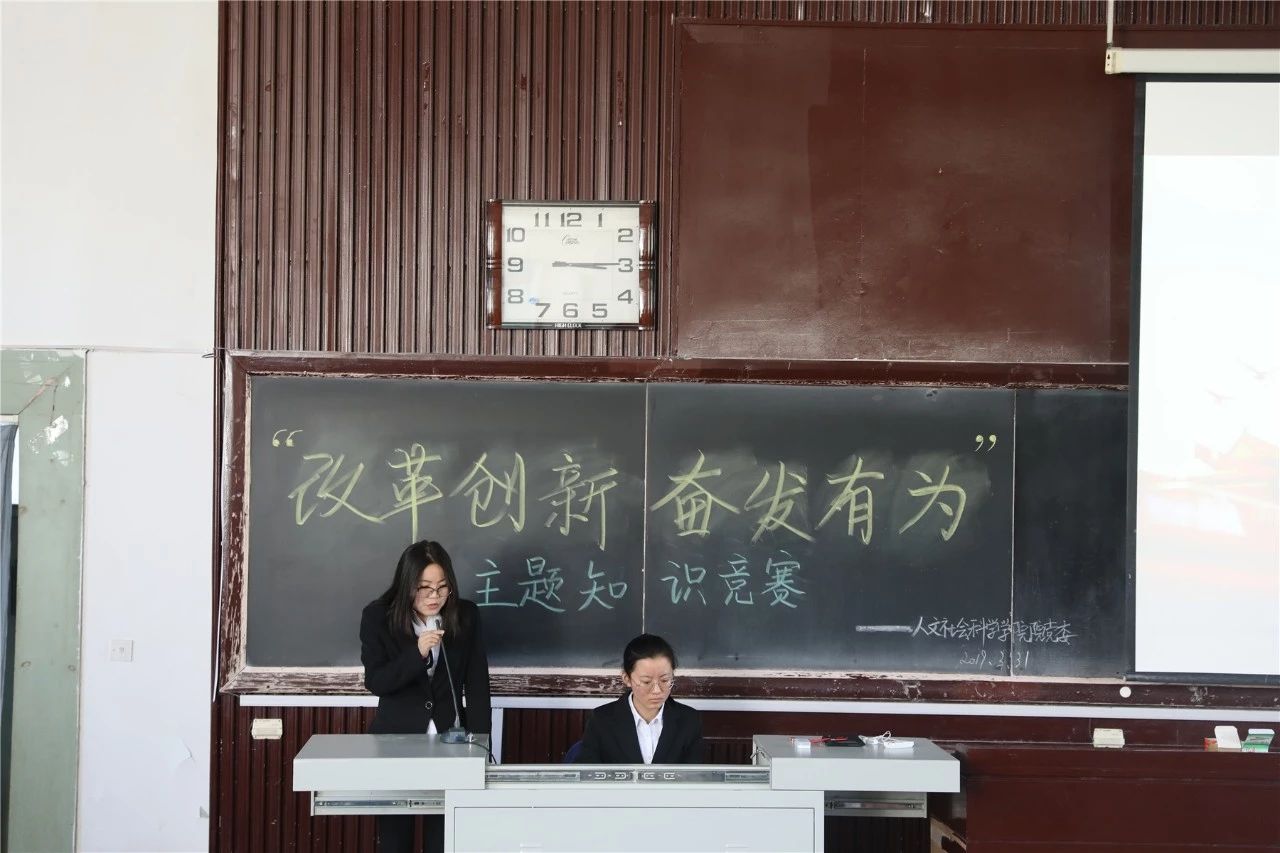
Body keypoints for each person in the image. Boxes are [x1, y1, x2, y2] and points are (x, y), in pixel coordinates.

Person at [360, 540, 491, 853]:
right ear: (407, 585)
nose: (434, 596)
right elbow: (376, 681)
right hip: (395, 742)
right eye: (425, 588)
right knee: (395, 840)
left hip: (452, 742)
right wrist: (416, 653)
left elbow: (477, 686)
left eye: (442, 587)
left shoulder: (466, 615)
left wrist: (482, 747)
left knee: (444, 838)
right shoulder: (378, 616)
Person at [575, 633, 703, 764]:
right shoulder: (601, 720)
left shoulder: (689, 720)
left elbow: (696, 773)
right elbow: (587, 771)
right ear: (627, 679)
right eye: (646, 682)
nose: (657, 690)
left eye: (665, 680)